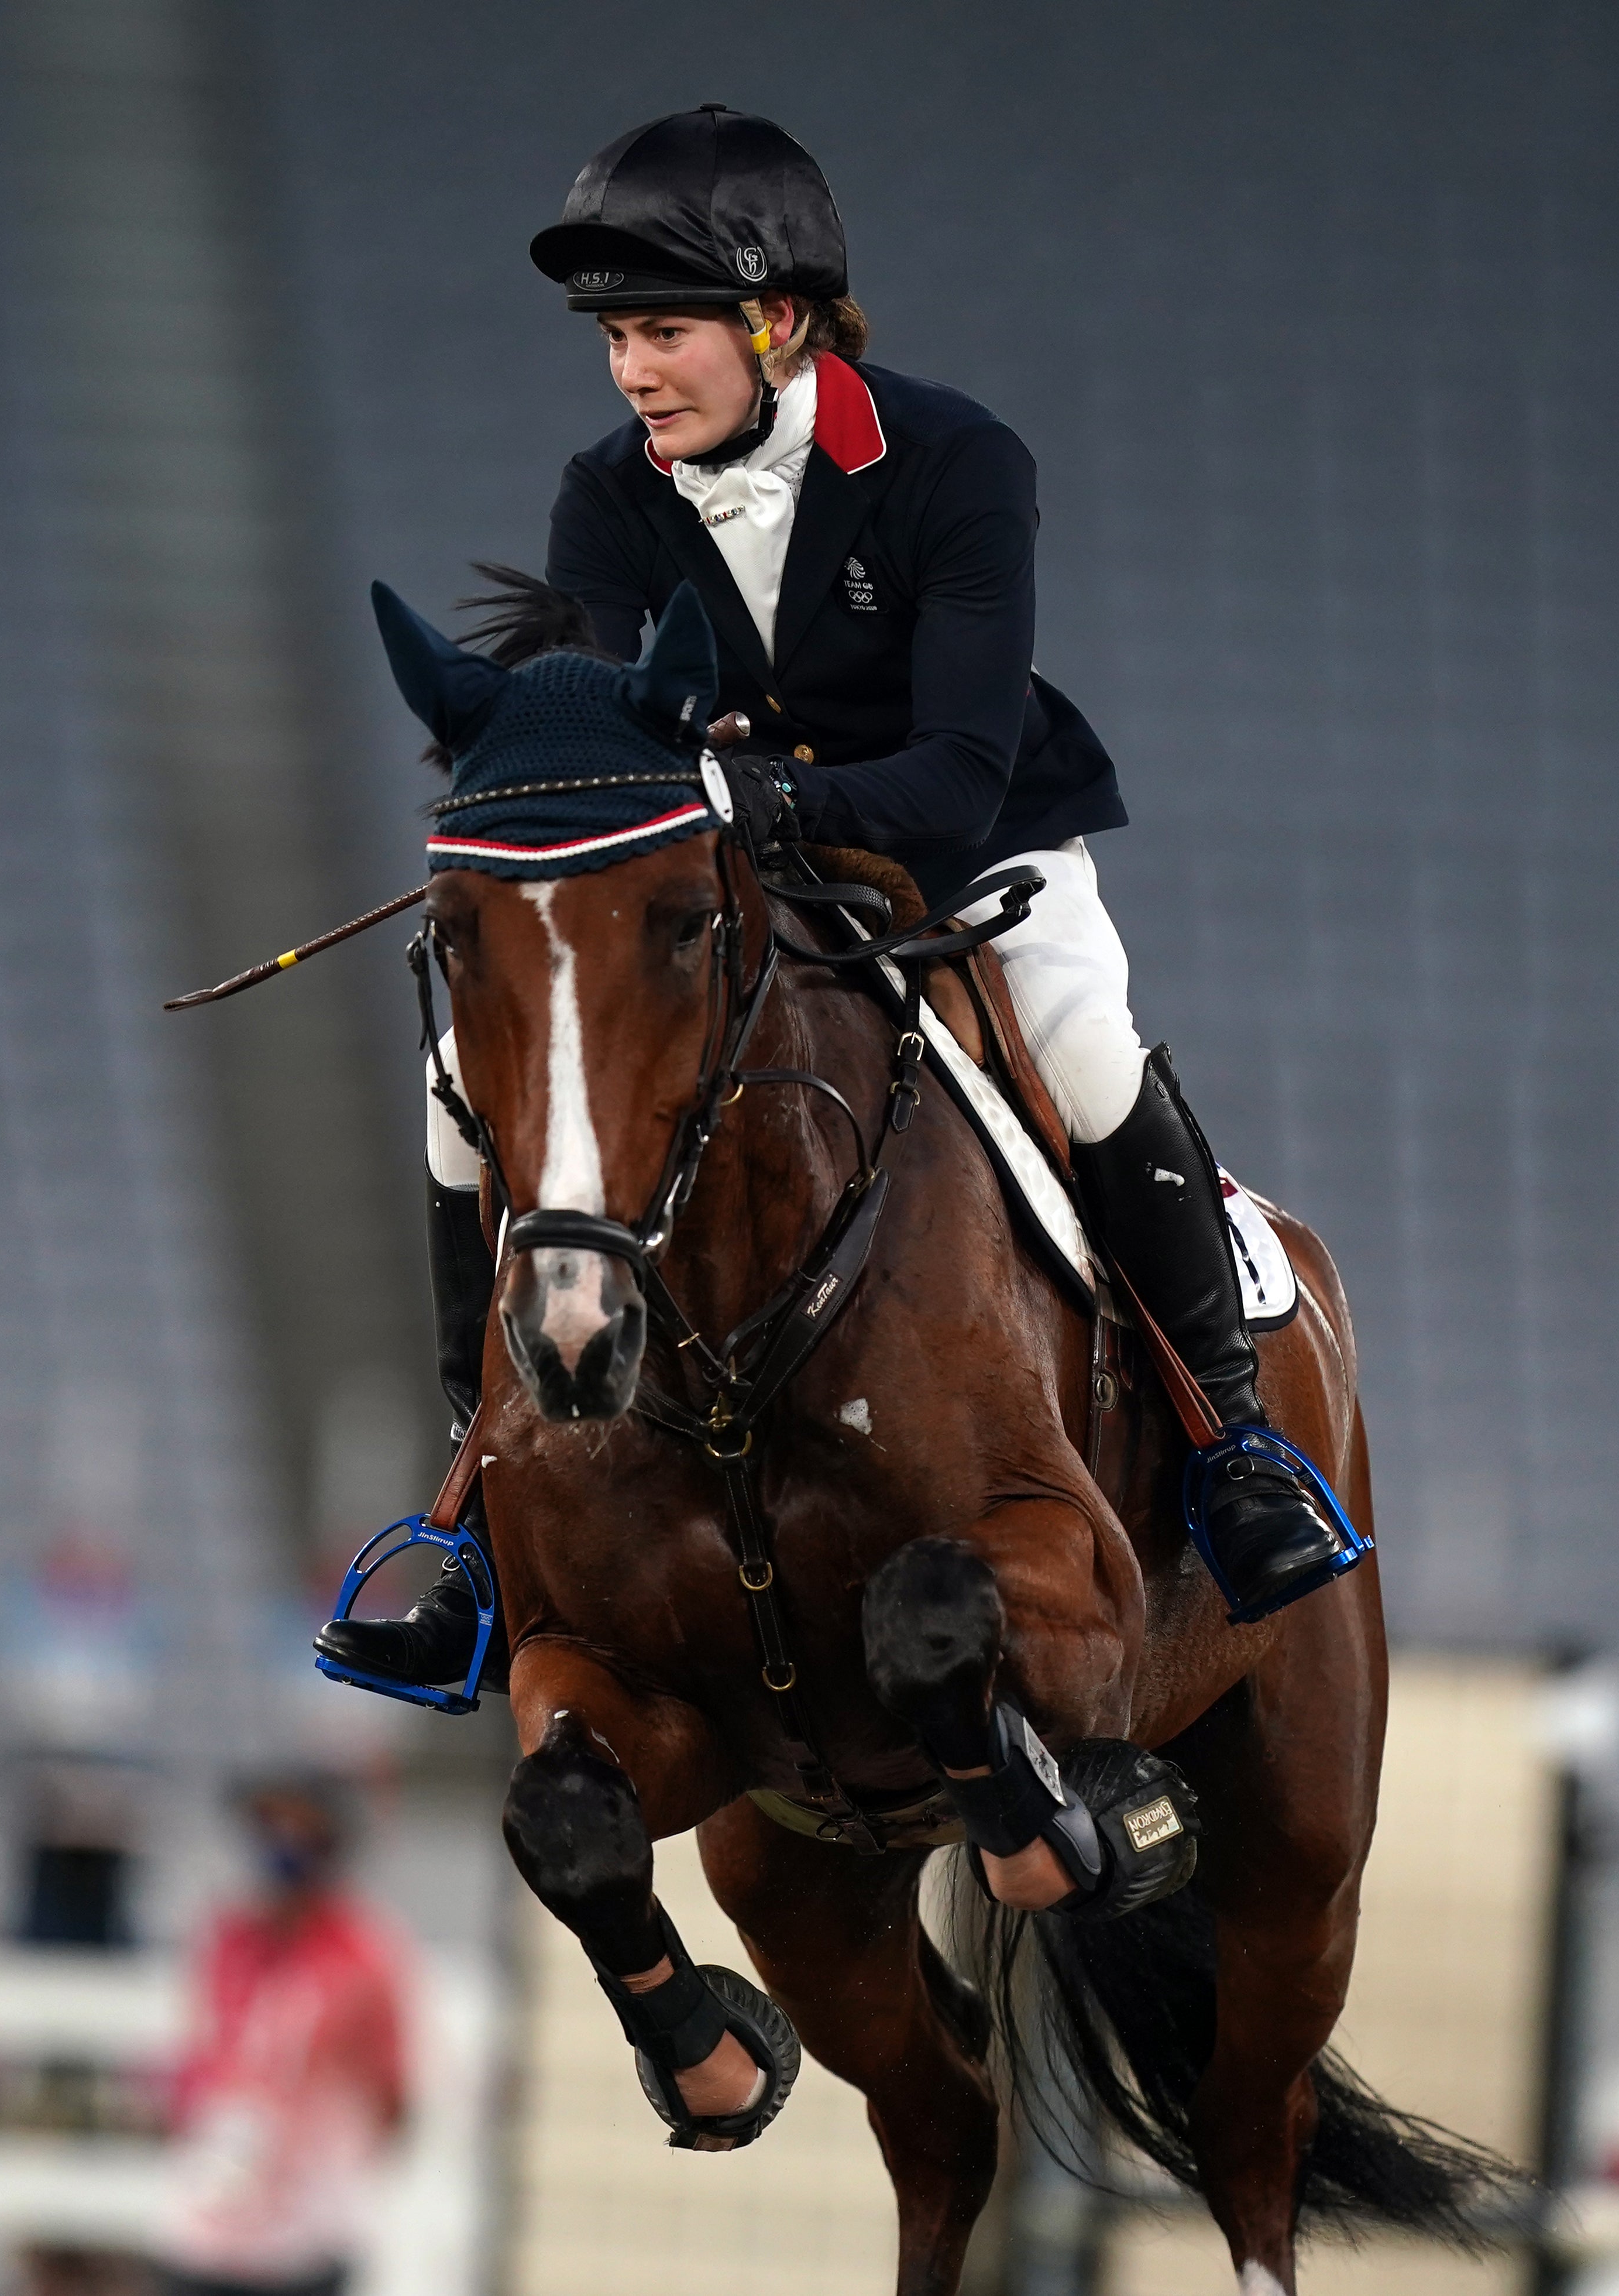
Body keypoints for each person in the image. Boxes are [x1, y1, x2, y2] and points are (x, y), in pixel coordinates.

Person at [318, 104, 1343, 1698]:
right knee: (461, 1106)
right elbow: (612, 735)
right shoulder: (607, 496)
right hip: (735, 885)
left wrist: (755, 797)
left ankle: (1232, 1442)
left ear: (775, 319)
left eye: (663, 332)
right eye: (615, 338)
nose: (631, 370)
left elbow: (951, 767)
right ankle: (473, 1514)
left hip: (965, 856)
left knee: (1079, 1044)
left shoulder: (953, 464)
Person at [153, 1773, 407, 2296]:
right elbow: (200, 2052)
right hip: (213, 2217)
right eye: (274, 1828)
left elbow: (392, 2091)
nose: (284, 1845)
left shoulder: (364, 1953)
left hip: (307, 2228)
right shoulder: (230, 1937)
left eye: (301, 1831)